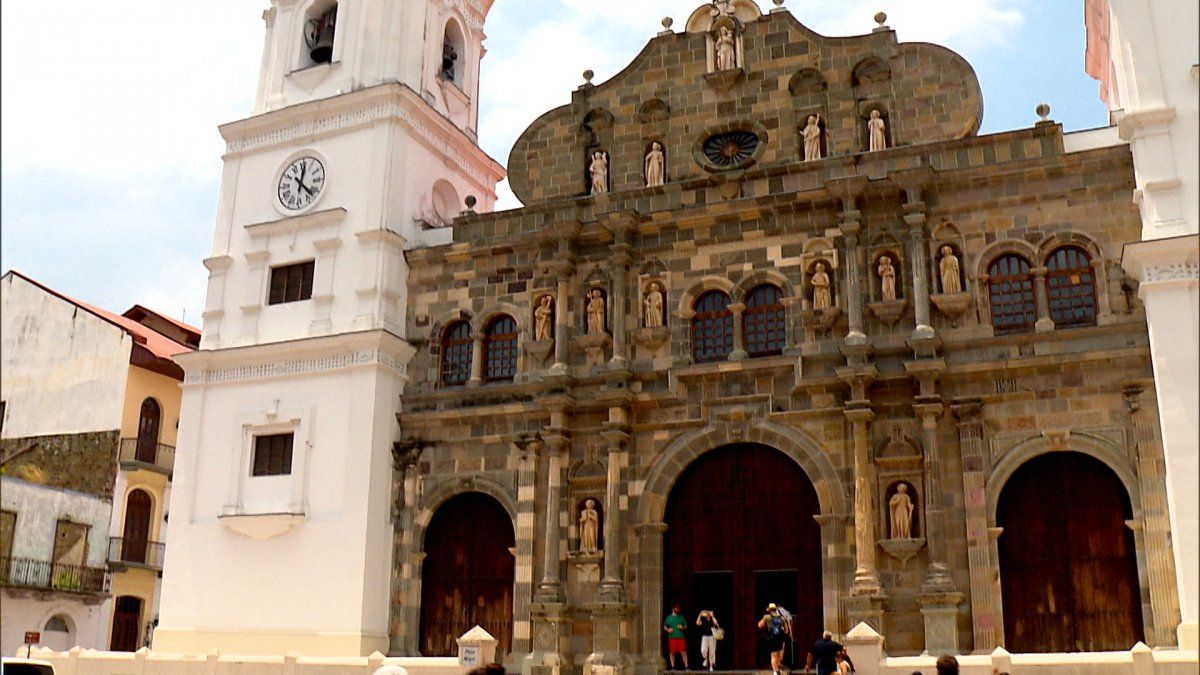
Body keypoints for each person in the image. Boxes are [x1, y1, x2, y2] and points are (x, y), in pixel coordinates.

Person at [758, 603, 790, 675]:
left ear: (769, 610)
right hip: (780, 637)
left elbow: (760, 625)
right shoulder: (781, 617)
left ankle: (775, 671)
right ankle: (778, 668)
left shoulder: (767, 617)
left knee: (773, 655)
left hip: (772, 637)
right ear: (776, 609)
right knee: (779, 654)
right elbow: (786, 630)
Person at [664, 604, 689, 670]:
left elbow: (686, 625)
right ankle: (672, 667)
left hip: (680, 637)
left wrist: (682, 627)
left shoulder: (681, 617)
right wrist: (668, 630)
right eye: (676, 608)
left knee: (683, 652)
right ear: (673, 609)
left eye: (678, 608)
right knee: (672, 652)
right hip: (672, 637)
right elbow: (665, 626)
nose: (678, 610)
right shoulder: (668, 618)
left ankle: (686, 667)